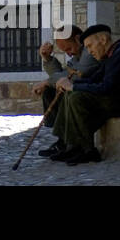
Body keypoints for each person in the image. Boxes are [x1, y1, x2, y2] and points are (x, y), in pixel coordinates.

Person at [48, 24, 120, 165]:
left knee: (76, 97)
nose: (90, 51)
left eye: (90, 46)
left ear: (103, 40)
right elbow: (93, 80)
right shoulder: (110, 56)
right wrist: (69, 85)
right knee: (70, 94)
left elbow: (106, 87)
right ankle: (71, 144)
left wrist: (73, 87)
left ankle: (88, 151)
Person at [34, 25, 100, 158]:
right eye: (65, 51)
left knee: (64, 92)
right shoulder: (78, 55)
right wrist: (48, 59)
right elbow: (64, 74)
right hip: (83, 89)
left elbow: (76, 75)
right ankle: (63, 139)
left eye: (69, 48)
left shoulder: (88, 52)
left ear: (77, 38)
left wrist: (47, 81)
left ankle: (71, 143)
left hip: (93, 93)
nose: (69, 54)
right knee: (49, 91)